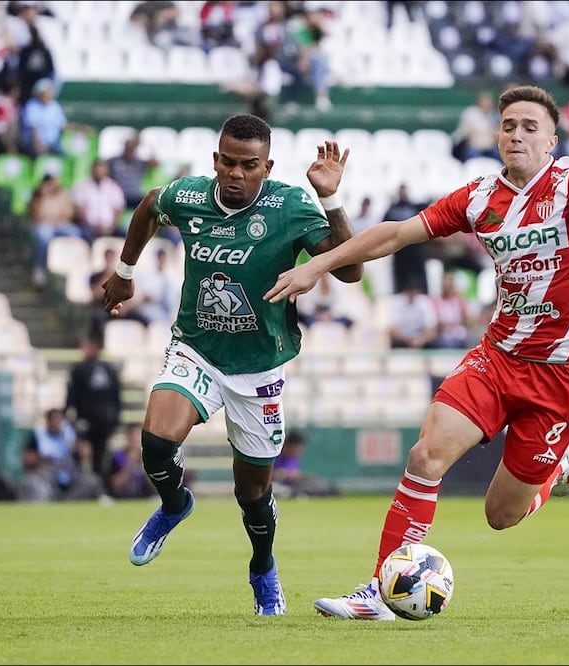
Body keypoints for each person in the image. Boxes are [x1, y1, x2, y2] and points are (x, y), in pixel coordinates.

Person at [263, 85, 569, 621]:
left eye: (529, 126)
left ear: (551, 137)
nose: (517, 134)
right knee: (425, 456)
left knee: (500, 515)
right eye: (508, 125)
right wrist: (318, 265)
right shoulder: (478, 196)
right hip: (497, 358)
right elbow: (394, 235)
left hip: (563, 377)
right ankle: (381, 592)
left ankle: (557, 470)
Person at [100, 114, 363, 616]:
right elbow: (151, 205)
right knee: (155, 442)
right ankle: (175, 505)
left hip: (260, 368)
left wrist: (329, 199)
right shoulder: (192, 196)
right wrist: (125, 271)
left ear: (267, 167)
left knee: (252, 493)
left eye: (248, 165)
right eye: (227, 162)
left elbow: (349, 269)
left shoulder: (289, 207)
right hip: (197, 348)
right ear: (215, 159)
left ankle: (263, 565)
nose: (235, 174)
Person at [18, 407, 106, 502]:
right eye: (53, 420)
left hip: (70, 476)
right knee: (33, 483)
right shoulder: (38, 436)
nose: (56, 423)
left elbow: (86, 452)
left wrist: (79, 449)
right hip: (47, 475)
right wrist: (41, 458)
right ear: (48, 421)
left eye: (59, 419)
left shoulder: (69, 435)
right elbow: (26, 459)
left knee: (91, 480)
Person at [65, 333, 122, 478]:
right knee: (81, 452)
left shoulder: (108, 370)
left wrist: (115, 420)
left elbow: (115, 397)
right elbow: (72, 395)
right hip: (87, 420)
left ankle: (97, 485)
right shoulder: (79, 370)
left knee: (100, 455)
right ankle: (82, 483)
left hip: (101, 422)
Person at [272, 430, 338, 498]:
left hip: (290, 486)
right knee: (277, 488)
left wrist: (304, 477)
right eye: (297, 447)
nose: (300, 450)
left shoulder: (292, 459)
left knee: (318, 485)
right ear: (287, 445)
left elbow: (294, 475)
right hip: (276, 486)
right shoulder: (274, 456)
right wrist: (282, 474)